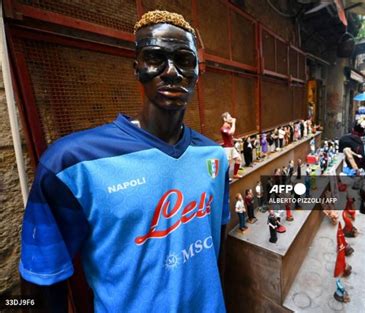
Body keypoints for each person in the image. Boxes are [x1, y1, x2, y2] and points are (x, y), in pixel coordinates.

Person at [19, 10, 230, 313]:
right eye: (156, 58)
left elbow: (217, 252)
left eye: (184, 60)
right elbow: (42, 283)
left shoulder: (214, 157)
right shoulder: (70, 165)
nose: (171, 71)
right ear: (137, 67)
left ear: (197, 71)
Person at [221, 112, 242, 178]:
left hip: (232, 147)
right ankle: (225, 178)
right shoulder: (223, 128)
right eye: (229, 117)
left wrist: (237, 140)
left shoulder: (228, 127)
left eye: (230, 116)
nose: (231, 118)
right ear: (225, 119)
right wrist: (233, 123)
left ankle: (235, 174)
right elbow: (231, 133)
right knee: (227, 164)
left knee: (238, 159)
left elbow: (231, 137)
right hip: (227, 148)